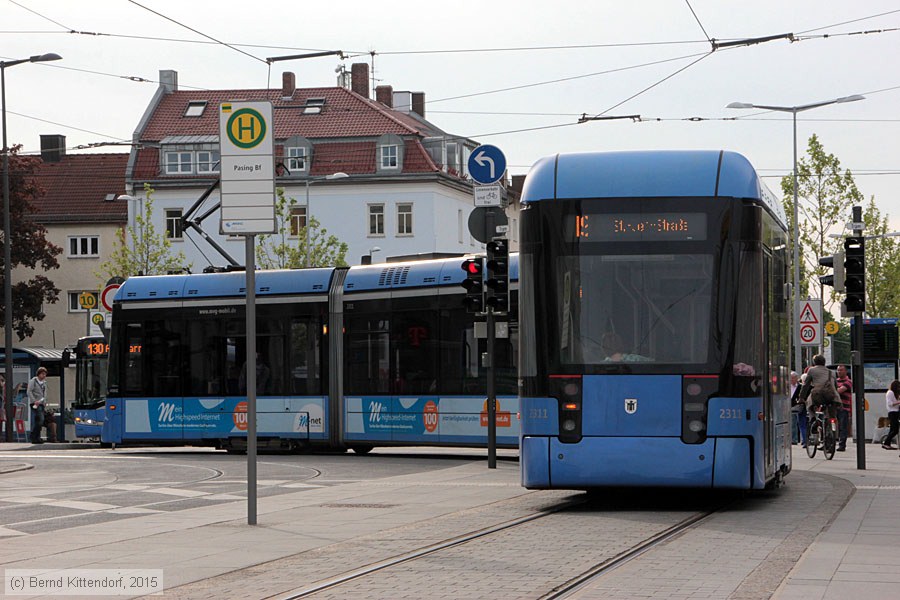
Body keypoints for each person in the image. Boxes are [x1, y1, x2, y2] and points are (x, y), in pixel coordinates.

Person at [799, 355, 841, 428]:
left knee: (809, 405)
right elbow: (836, 386)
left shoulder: (812, 370)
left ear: (814, 362)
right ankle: (834, 433)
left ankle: (813, 419)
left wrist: (801, 397)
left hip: (818, 395)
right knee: (832, 415)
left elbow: (806, 385)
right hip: (832, 396)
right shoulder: (832, 372)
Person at [27, 367, 48, 444]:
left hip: (41, 403)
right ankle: (33, 435)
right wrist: (34, 400)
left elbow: (44, 393)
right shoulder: (33, 381)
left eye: (45, 374)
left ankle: (37, 437)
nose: (44, 376)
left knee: (38, 421)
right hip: (35, 403)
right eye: (42, 374)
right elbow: (29, 391)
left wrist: (45, 401)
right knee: (40, 419)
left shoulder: (44, 383)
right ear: (39, 374)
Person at [835, 364, 853, 452]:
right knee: (833, 426)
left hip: (844, 408)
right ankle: (829, 443)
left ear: (846, 371)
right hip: (834, 407)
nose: (839, 372)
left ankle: (842, 445)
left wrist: (832, 390)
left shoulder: (848, 381)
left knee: (843, 427)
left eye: (841, 370)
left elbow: (839, 391)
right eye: (838, 370)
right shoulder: (835, 381)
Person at [883, 379, 900, 450]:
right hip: (892, 412)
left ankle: (887, 444)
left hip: (896, 412)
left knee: (892, 429)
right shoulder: (890, 393)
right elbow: (890, 404)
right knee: (895, 429)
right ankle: (886, 443)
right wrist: (899, 402)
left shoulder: (894, 393)